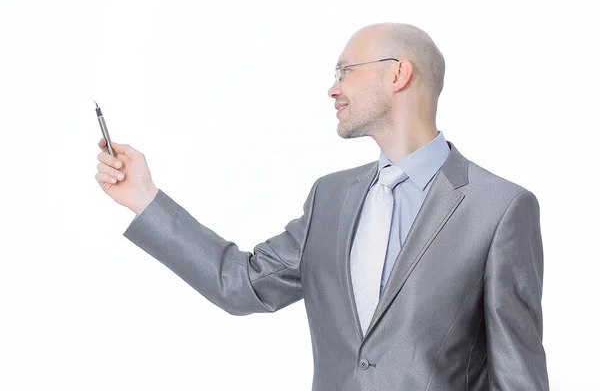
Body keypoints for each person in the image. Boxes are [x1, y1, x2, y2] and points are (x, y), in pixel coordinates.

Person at [95, 22, 549, 390]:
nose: (333, 89)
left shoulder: (499, 209)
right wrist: (144, 198)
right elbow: (240, 283)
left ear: (397, 74)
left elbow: (517, 376)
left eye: (344, 70)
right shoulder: (331, 199)